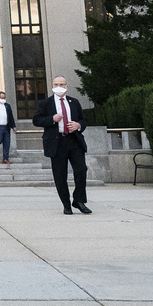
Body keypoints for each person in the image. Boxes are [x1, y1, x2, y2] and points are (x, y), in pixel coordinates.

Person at [32, 76, 92, 215]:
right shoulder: (46, 103)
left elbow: (83, 119)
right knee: (60, 175)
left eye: (61, 84)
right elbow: (37, 120)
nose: (59, 86)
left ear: (66, 86)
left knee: (81, 169)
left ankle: (79, 200)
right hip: (56, 142)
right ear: (52, 86)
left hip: (74, 140)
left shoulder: (74, 102)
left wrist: (78, 125)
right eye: (56, 84)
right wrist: (52, 119)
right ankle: (66, 204)